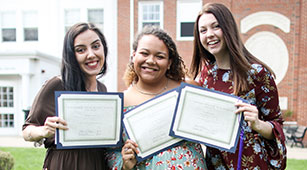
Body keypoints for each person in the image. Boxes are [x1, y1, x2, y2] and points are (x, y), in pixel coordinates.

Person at [190, 3, 287, 170]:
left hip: (250, 163)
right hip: (215, 163)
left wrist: (257, 124)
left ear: (228, 29)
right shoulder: (204, 77)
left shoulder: (257, 73)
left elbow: (276, 125)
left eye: (216, 26)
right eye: (203, 30)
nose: (210, 35)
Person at [106, 26, 207, 170]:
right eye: (144, 53)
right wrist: (124, 163)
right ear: (134, 56)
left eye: (159, 56)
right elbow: (110, 153)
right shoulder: (120, 103)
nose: (151, 61)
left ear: (169, 62)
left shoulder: (188, 89)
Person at [22, 22, 109, 170]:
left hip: (96, 162)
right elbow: (27, 131)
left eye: (95, 46)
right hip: (65, 163)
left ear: (104, 49)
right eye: (81, 50)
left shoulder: (103, 90)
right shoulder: (56, 85)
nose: (91, 54)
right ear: (71, 55)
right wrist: (44, 130)